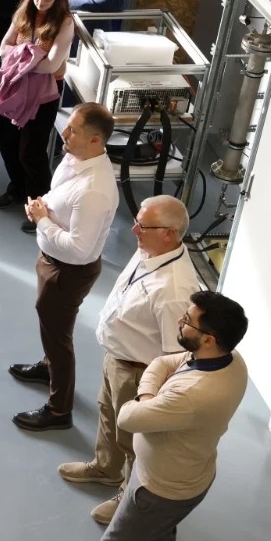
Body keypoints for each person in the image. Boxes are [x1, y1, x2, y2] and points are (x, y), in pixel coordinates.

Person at [42, 291, 249, 541]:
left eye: (188, 321)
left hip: (159, 487)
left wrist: (146, 395)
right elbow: (163, 362)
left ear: (209, 339)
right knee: (160, 537)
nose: (180, 322)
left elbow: (128, 416)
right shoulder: (231, 360)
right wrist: (152, 392)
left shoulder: (195, 394)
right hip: (189, 477)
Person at [57, 196, 199, 524]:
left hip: (140, 373)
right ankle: (105, 468)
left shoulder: (174, 290)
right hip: (119, 358)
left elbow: (175, 354)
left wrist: (153, 395)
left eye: (142, 226)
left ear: (169, 233)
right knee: (108, 415)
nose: (133, 230)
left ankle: (129, 496)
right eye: (136, 221)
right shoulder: (151, 249)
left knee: (136, 439)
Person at [10, 102, 121, 433]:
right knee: (50, 324)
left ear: (95, 140)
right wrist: (44, 205)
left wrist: (42, 220)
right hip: (53, 261)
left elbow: (79, 247)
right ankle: (48, 367)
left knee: (58, 338)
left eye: (73, 130)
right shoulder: (76, 158)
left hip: (67, 271)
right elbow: (60, 195)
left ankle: (59, 410)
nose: (64, 132)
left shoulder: (94, 191)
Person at [0, 0, 75, 224]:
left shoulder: (64, 22)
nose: (41, 1)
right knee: (7, 142)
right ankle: (18, 188)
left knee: (31, 151)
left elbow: (52, 65)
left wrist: (19, 56)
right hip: (15, 87)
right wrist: (28, 57)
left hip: (43, 94)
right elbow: (3, 47)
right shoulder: (24, 13)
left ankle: (41, 208)